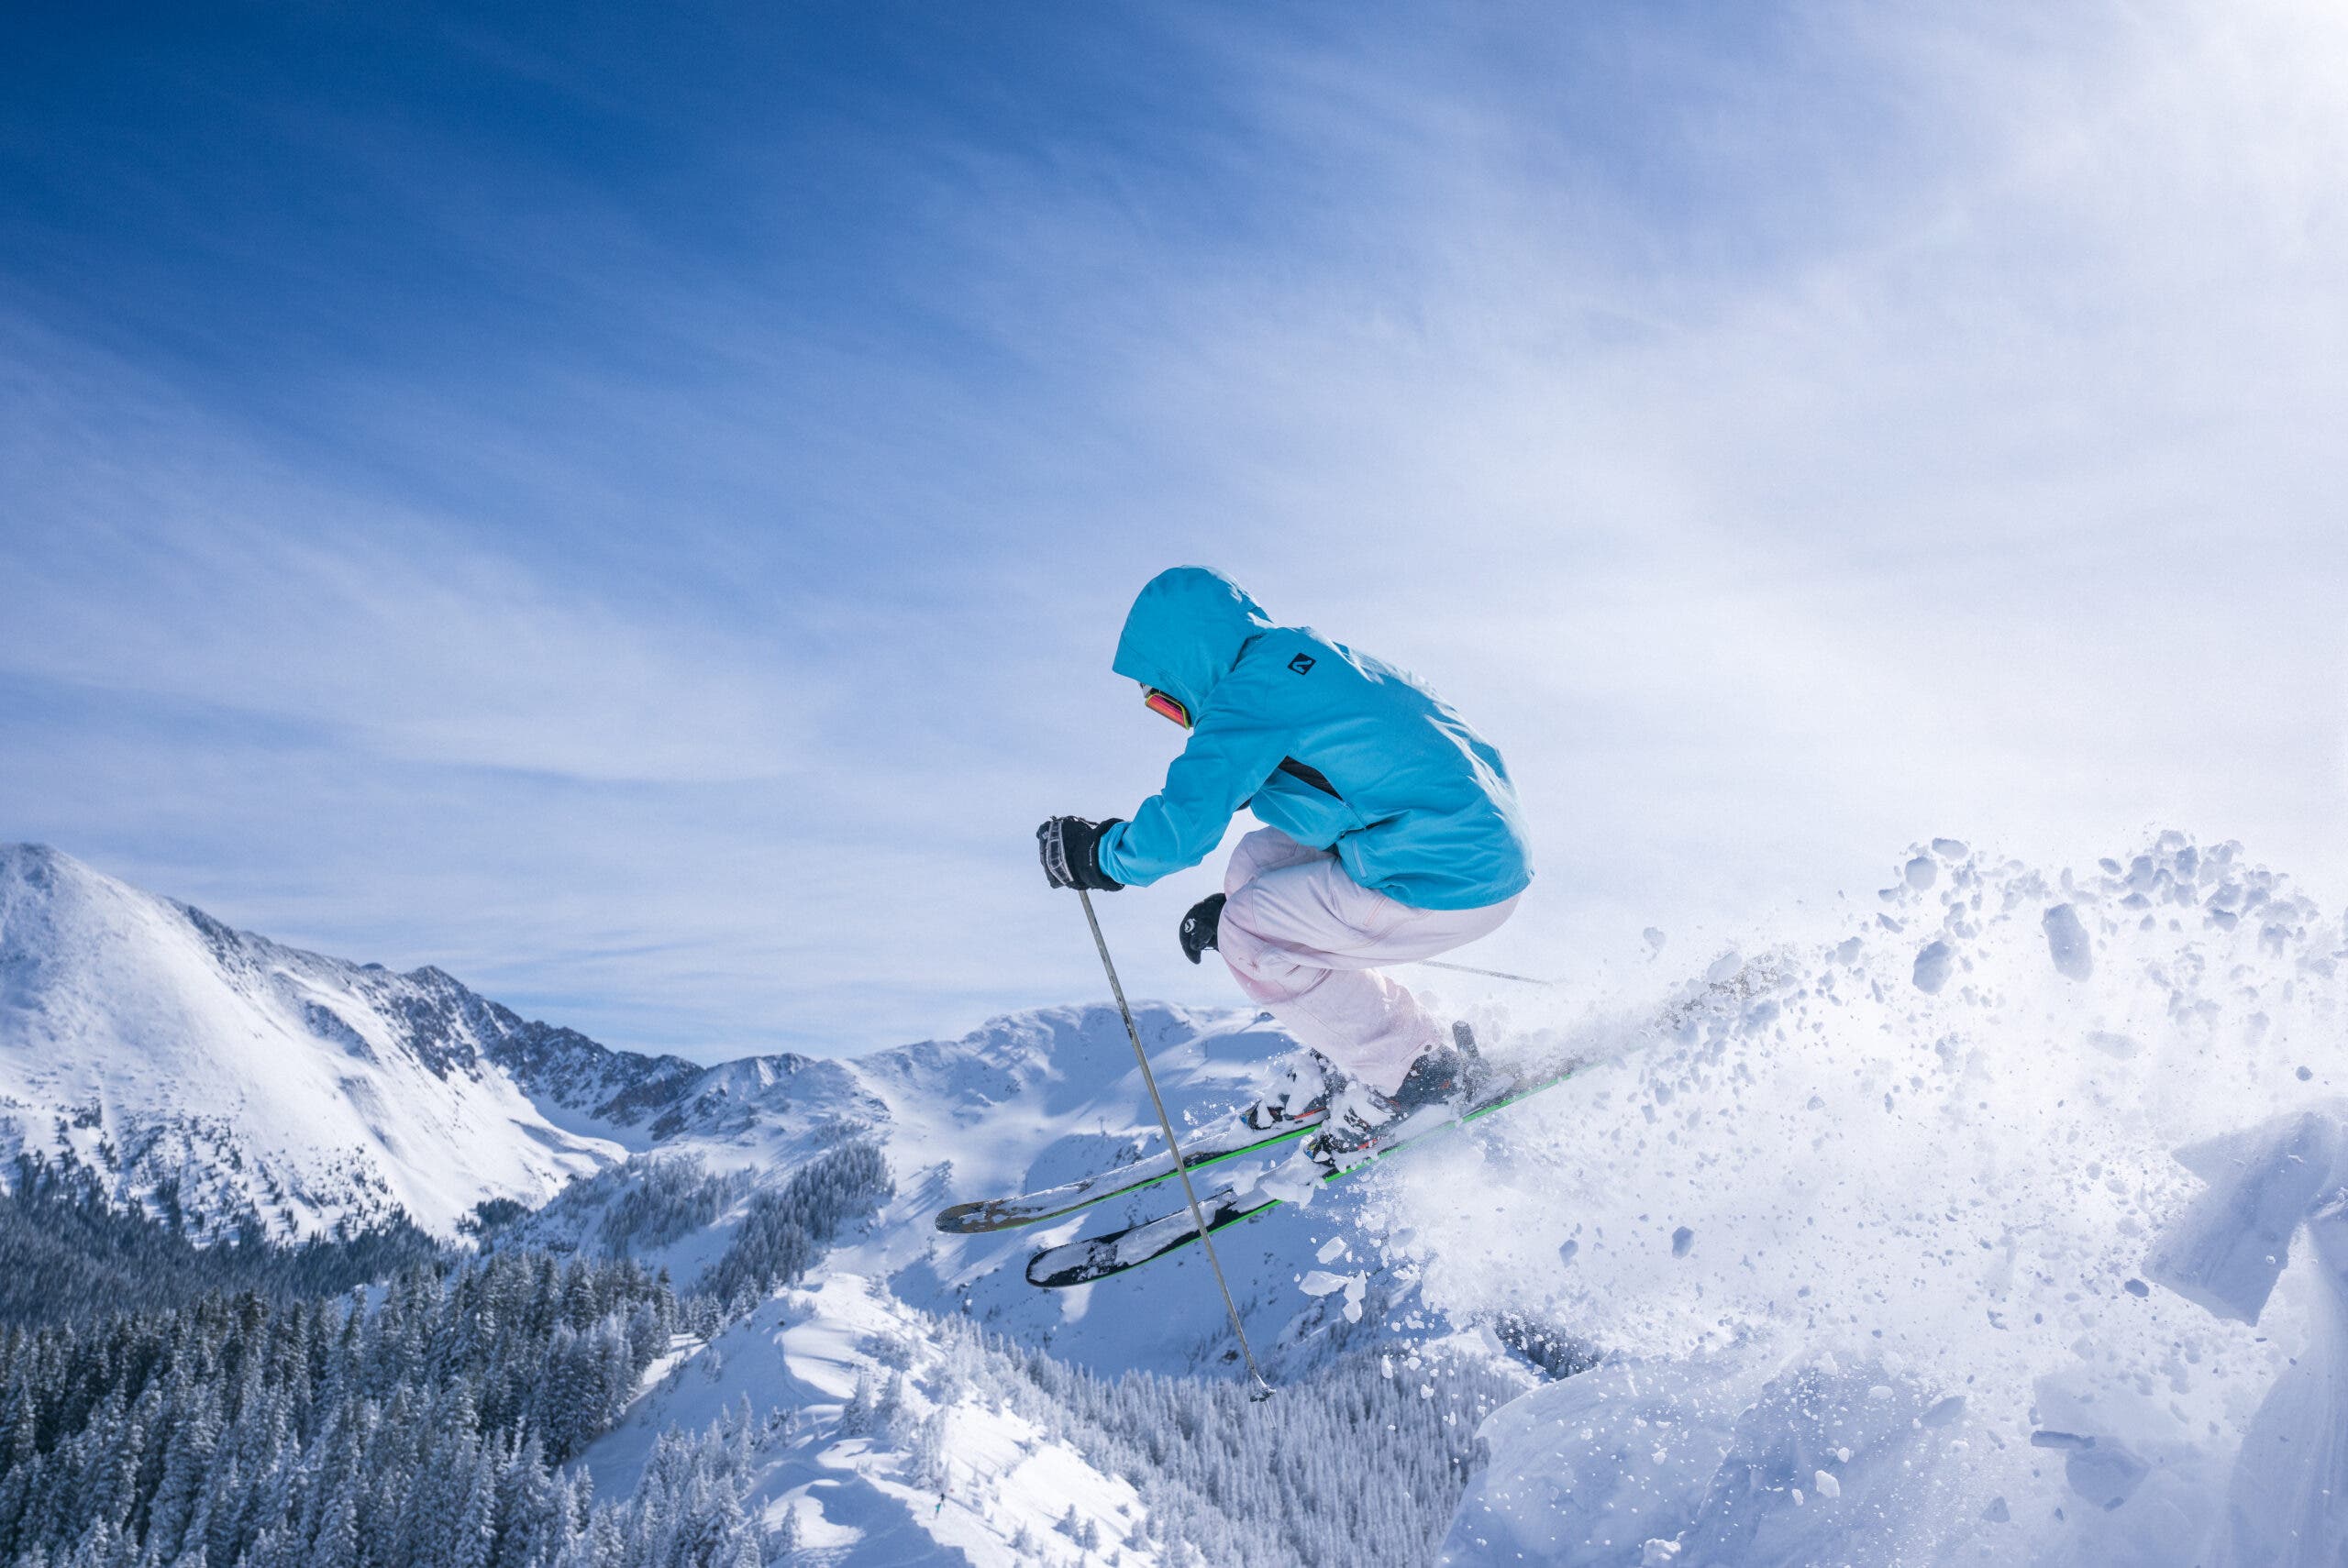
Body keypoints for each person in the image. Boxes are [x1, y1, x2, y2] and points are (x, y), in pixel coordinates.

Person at [1036, 566, 1532, 1150]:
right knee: (1256, 865)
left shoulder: (1249, 694)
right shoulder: (1306, 658)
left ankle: (1417, 1075)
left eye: (1167, 703)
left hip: (1447, 875)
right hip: (1463, 845)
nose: (1182, 719)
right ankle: (1367, 1051)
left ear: (1187, 664)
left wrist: (1099, 855)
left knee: (1247, 933)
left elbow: (1182, 828)